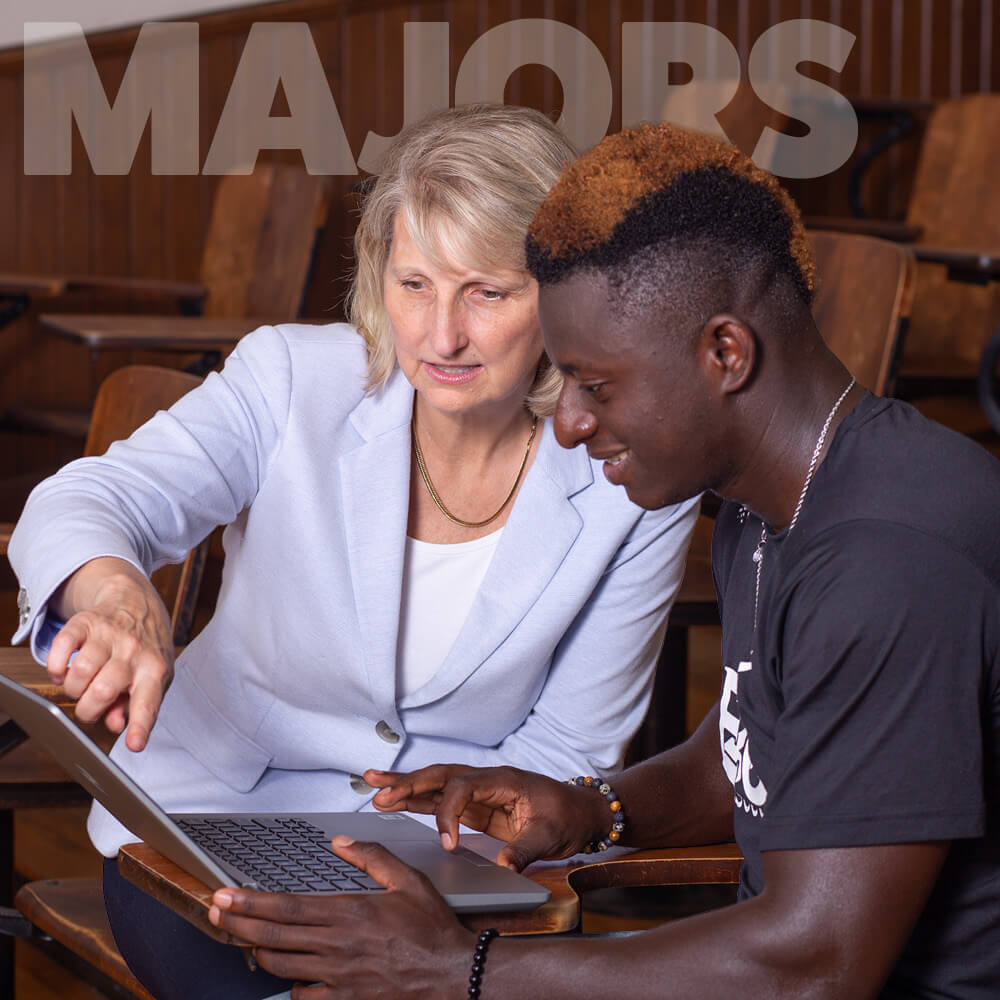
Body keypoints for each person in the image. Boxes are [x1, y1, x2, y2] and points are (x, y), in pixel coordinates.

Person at [206, 123, 1000, 999]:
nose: (571, 424)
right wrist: (594, 808)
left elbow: (814, 965)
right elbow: (748, 755)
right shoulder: (769, 501)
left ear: (725, 354)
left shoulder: (888, 560)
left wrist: (457, 972)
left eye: (596, 383)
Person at [6, 105, 699, 999]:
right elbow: (84, 499)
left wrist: (440, 890)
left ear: (565, 291)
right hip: (204, 826)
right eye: (414, 284)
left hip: (450, 868)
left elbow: (571, 749)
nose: (440, 335)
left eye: (486, 292)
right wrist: (114, 589)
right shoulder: (293, 378)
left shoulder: (630, 472)